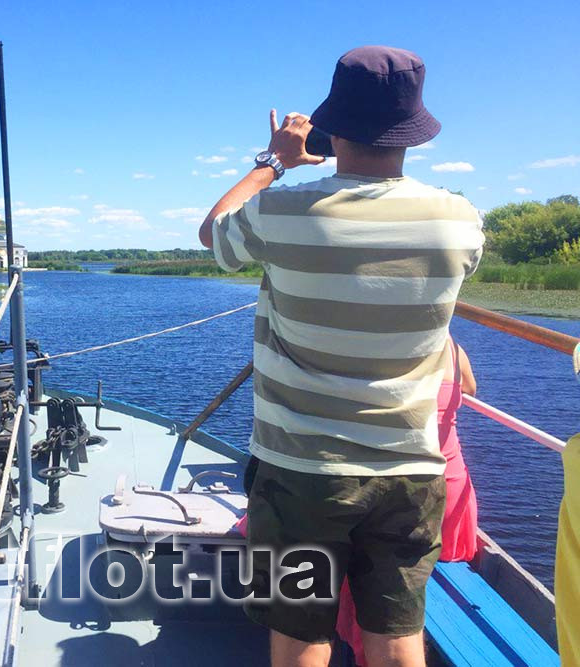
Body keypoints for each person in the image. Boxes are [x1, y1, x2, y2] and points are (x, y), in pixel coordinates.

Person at [198, 46, 485, 667]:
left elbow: (212, 232)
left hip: (302, 469)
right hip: (410, 469)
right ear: (412, 129)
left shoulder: (282, 211)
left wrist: (275, 161)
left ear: (334, 126)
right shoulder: (459, 219)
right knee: (396, 632)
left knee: (302, 634)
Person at [335, 335, 480, 664]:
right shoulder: (453, 347)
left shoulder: (385, 348)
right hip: (453, 488)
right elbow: (470, 387)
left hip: (413, 493)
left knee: (371, 573)